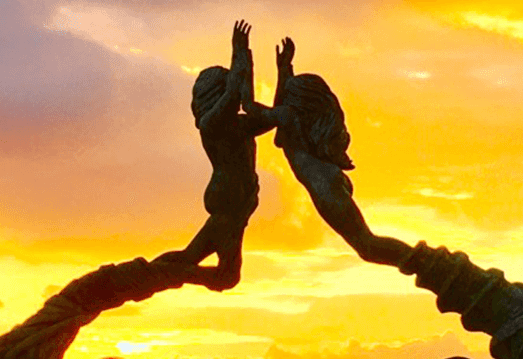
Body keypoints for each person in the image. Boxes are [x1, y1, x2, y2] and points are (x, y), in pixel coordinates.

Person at [245, 37, 414, 269]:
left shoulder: (290, 119)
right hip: (329, 180)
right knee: (367, 245)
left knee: (366, 245)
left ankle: (423, 261)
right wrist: (284, 69)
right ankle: (422, 261)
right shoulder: (297, 124)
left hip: (325, 188)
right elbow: (280, 110)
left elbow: (249, 108)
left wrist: (243, 62)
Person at [160, 20, 278, 290]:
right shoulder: (211, 124)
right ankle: (150, 275)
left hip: (239, 206)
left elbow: (270, 114)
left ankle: (157, 274)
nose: (231, 96)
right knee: (202, 264)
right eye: (225, 89)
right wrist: (238, 51)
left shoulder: (240, 124)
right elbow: (235, 91)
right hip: (226, 202)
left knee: (221, 273)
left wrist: (280, 69)